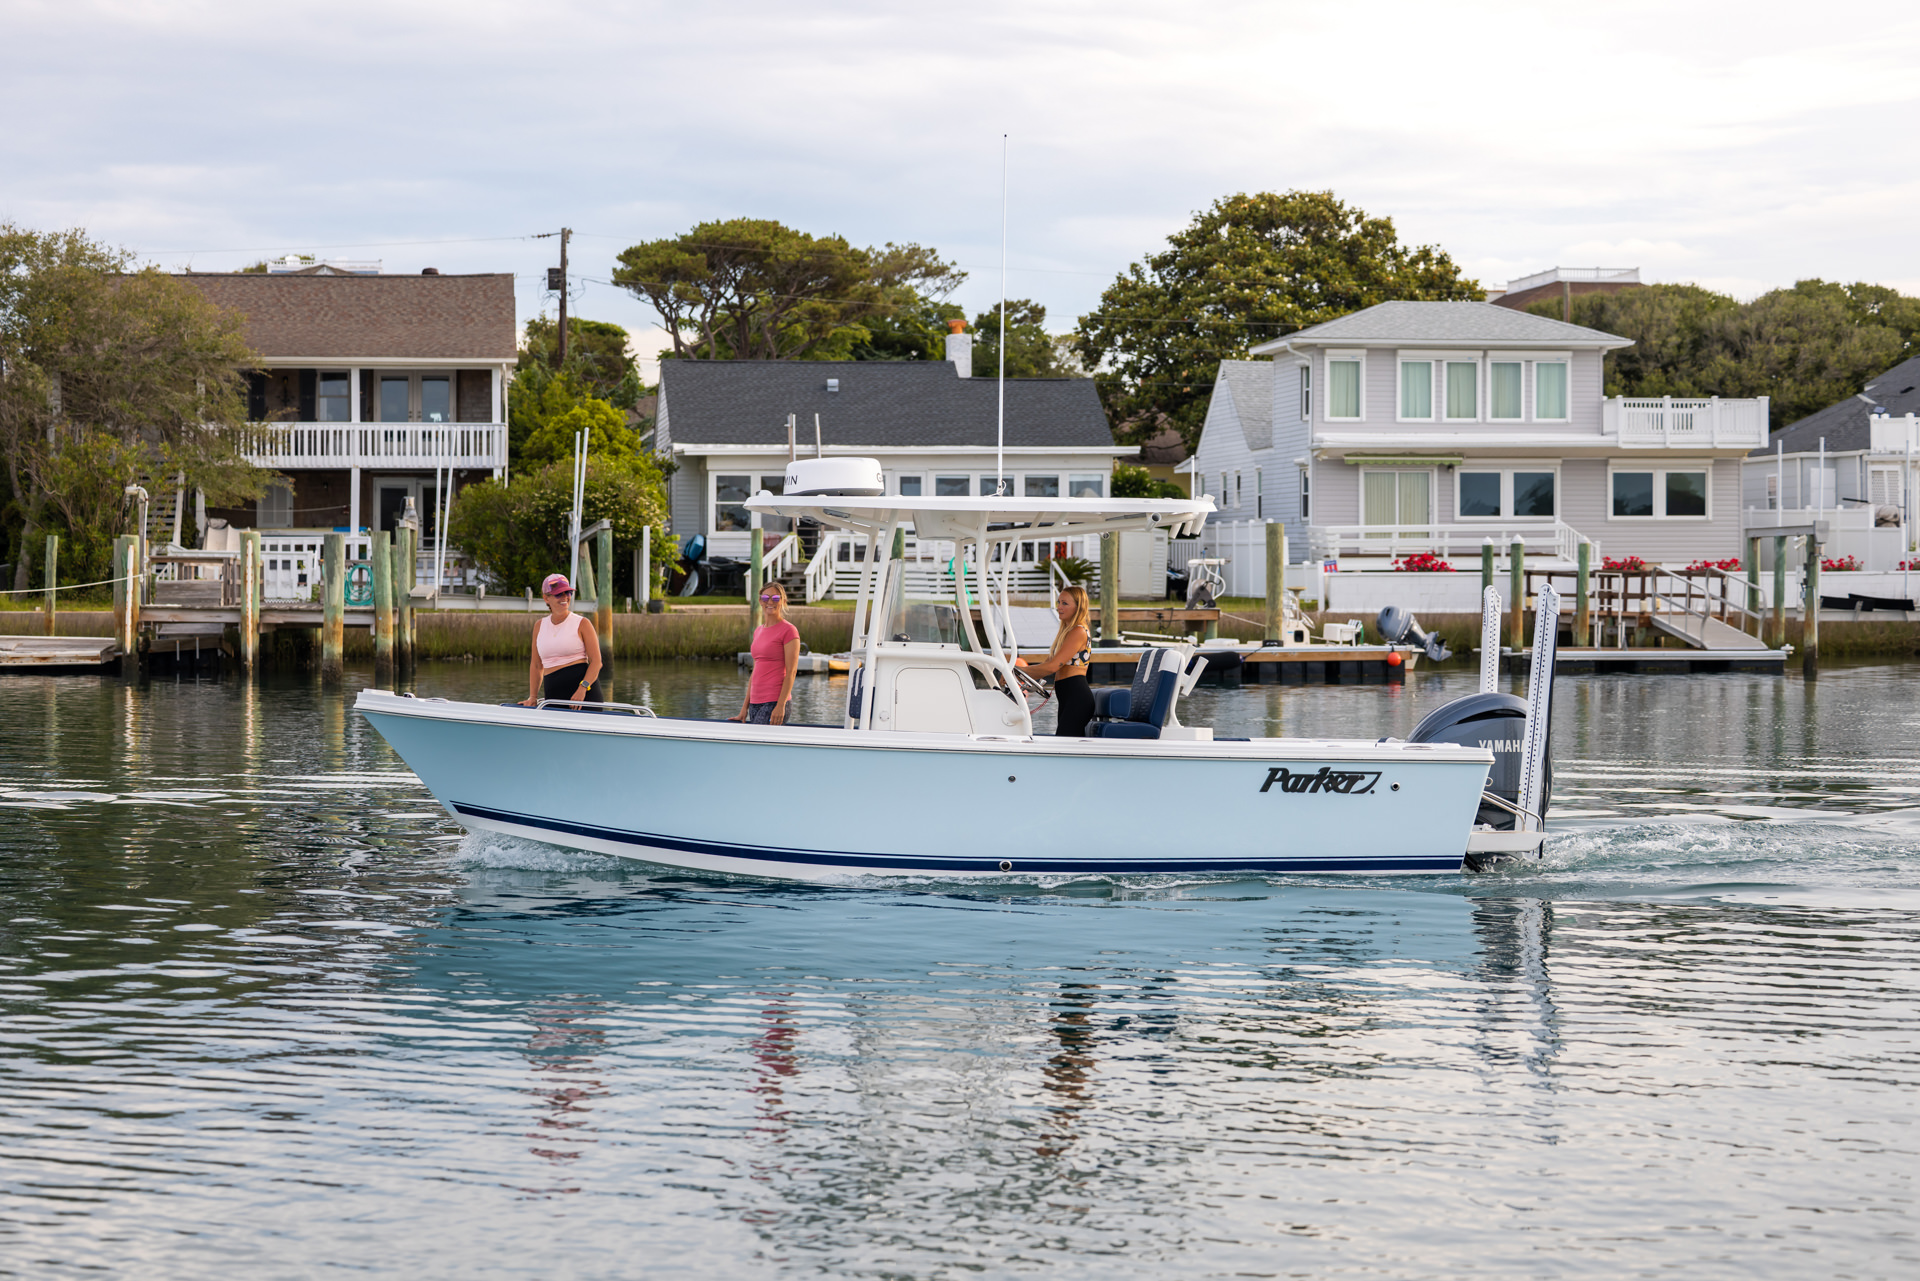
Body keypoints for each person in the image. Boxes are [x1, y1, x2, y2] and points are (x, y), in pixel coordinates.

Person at [1017, 584, 1094, 737]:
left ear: (1078, 607)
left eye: (1065, 603)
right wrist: (1018, 674)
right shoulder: (1067, 633)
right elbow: (1046, 665)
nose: (1059, 607)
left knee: (1064, 745)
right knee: (1066, 746)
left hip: (1077, 697)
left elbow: (1052, 667)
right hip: (1068, 697)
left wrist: (1015, 670)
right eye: (1059, 602)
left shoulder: (1078, 631)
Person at [520, 573, 603, 708]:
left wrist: (582, 689)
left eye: (568, 593)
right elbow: (536, 665)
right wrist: (533, 697)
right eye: (559, 594)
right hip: (553, 696)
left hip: (583, 697)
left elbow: (597, 662)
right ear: (546, 598)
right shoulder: (539, 626)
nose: (565, 597)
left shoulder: (582, 623)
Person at [730, 581, 801, 725]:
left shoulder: (789, 631)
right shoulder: (758, 631)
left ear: (783, 601)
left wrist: (780, 706)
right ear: (760, 601)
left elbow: (791, 672)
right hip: (755, 703)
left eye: (775, 598)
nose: (770, 602)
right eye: (765, 598)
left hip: (775, 702)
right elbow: (756, 671)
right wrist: (744, 708)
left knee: (757, 745)